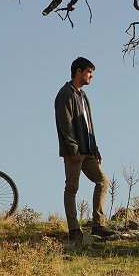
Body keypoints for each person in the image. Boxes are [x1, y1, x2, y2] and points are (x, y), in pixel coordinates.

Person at [55, 57, 116, 242]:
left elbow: (88, 124)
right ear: (78, 71)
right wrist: (73, 149)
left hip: (88, 151)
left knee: (103, 181)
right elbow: (65, 124)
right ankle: (74, 229)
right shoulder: (65, 93)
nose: (91, 76)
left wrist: (95, 147)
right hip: (74, 152)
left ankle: (98, 225)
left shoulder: (83, 96)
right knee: (72, 188)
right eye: (89, 72)